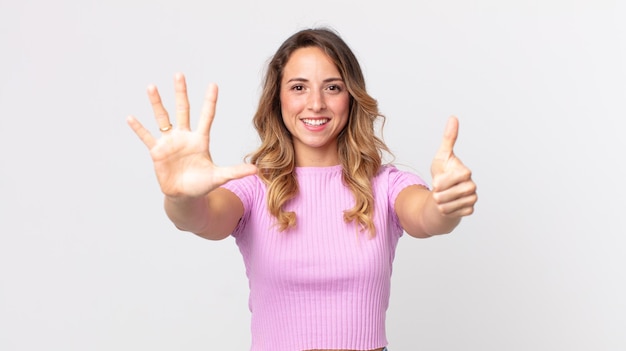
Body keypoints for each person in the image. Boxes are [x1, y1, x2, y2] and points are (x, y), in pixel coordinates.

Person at [127, 28, 477, 351]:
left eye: (332, 87)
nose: (316, 103)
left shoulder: (386, 185)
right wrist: (180, 196)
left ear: (351, 97)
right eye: (298, 87)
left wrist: (447, 204)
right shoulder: (253, 187)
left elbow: (427, 216)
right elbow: (199, 218)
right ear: (277, 100)